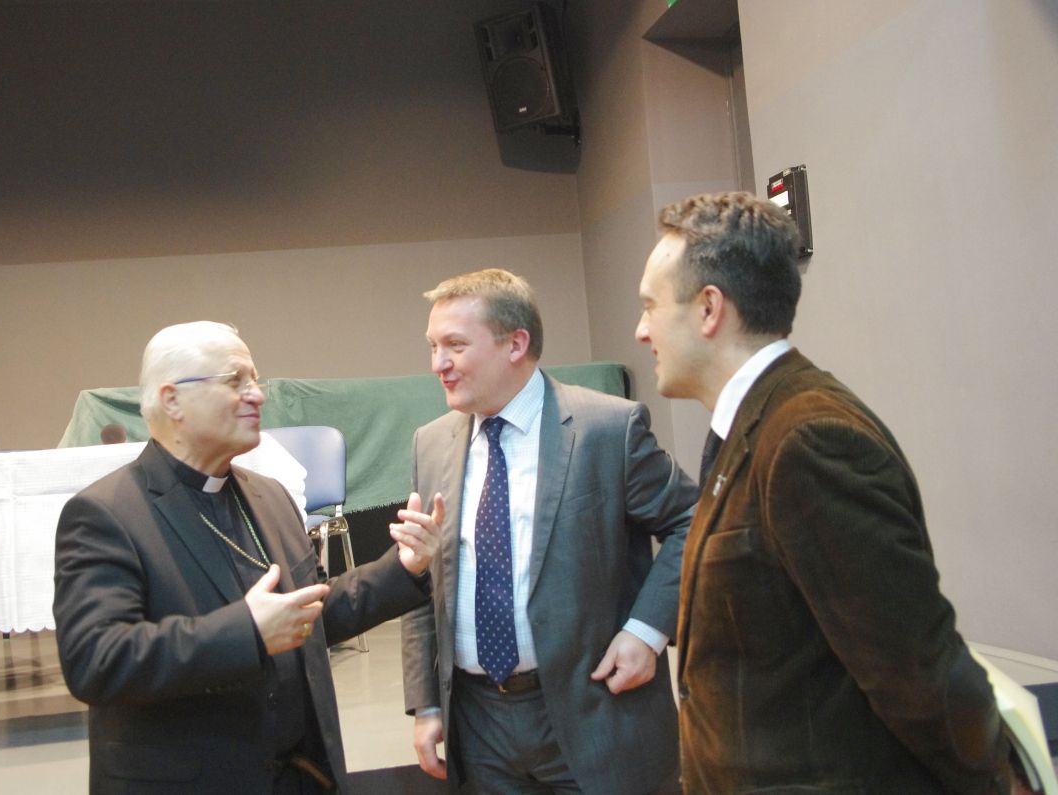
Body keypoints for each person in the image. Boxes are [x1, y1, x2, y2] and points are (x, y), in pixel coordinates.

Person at [635, 191, 1022, 793]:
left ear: (709, 308)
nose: (641, 331)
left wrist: (999, 780)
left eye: (650, 307)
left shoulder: (808, 439)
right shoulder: (754, 425)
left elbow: (915, 669)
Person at [53, 321, 440, 794]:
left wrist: (403, 568)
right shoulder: (107, 513)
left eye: (254, 380)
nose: (256, 394)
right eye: (235, 381)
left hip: (300, 776)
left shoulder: (270, 497)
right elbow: (96, 661)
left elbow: (311, 615)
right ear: (172, 400)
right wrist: (248, 633)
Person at [400, 269, 697, 794]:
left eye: (455, 346)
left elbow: (693, 520)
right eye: (433, 346)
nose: (437, 364)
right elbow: (420, 577)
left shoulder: (608, 429)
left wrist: (646, 632)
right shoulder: (431, 443)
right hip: (479, 726)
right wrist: (426, 704)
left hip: (596, 712)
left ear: (516, 344)